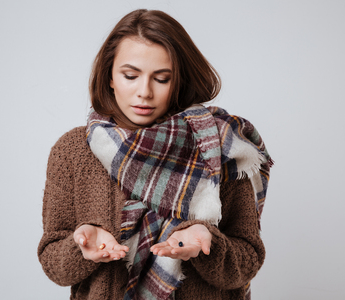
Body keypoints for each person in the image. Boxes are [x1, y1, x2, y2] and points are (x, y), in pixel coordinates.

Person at [38, 9, 272, 300]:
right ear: (110, 76)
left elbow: (247, 259)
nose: (144, 92)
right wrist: (81, 244)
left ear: (178, 82)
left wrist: (208, 243)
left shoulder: (220, 145)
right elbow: (53, 263)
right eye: (130, 75)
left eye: (161, 78)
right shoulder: (73, 151)